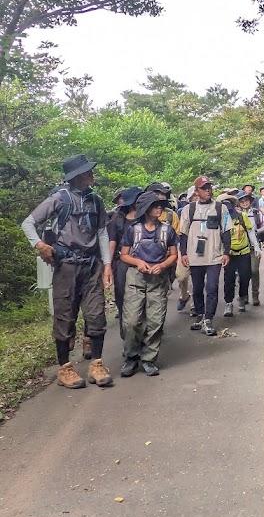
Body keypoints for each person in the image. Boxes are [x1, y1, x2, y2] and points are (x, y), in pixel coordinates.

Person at [21, 153, 114, 389]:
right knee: (64, 317)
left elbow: (102, 232)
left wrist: (107, 264)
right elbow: (28, 222)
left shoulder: (97, 201)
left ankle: (97, 364)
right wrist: (39, 245)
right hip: (66, 267)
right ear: (76, 176)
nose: (91, 174)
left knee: (96, 315)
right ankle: (65, 368)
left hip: (92, 266)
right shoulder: (59, 199)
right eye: (87, 171)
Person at [119, 191, 178, 376]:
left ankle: (149, 359)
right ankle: (131, 357)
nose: (159, 207)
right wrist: (138, 262)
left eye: (160, 205)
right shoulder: (133, 230)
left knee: (155, 321)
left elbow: (174, 254)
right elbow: (124, 255)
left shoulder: (167, 230)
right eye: (155, 205)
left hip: (158, 279)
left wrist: (162, 265)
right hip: (136, 277)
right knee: (131, 321)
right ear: (145, 209)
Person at [178, 176, 231, 336]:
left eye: (209, 187)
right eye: (204, 188)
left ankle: (208, 319)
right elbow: (183, 233)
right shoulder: (189, 209)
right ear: (197, 191)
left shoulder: (221, 208)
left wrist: (227, 252)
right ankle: (200, 315)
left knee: (212, 287)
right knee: (198, 288)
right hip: (195, 256)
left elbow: (227, 231)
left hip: (214, 255)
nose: (208, 190)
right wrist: (184, 253)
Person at [107, 185, 142, 337]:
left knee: (142, 298)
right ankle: (126, 333)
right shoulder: (117, 219)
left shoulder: (144, 217)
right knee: (122, 297)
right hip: (122, 263)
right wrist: (107, 266)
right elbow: (112, 242)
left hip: (143, 261)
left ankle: (142, 333)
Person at [219, 190, 260, 316]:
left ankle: (242, 298)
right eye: (225, 204)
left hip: (244, 253)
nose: (228, 206)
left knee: (245, 277)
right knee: (229, 279)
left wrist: (256, 247)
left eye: (229, 203)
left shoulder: (242, 216)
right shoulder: (222, 219)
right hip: (229, 254)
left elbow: (251, 232)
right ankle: (229, 303)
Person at [237, 190, 263, 306]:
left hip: (254, 247)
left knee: (254, 271)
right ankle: (244, 296)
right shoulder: (236, 214)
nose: (244, 203)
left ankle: (255, 295)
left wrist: (255, 232)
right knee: (243, 273)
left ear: (250, 201)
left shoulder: (256, 213)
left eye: (246, 200)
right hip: (241, 248)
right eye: (241, 201)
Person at [174, 185, 194, 310]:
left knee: (197, 278)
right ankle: (184, 295)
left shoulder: (210, 211)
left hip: (202, 248)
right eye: (194, 196)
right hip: (184, 246)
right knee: (181, 276)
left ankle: (195, 305)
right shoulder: (183, 211)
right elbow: (180, 232)